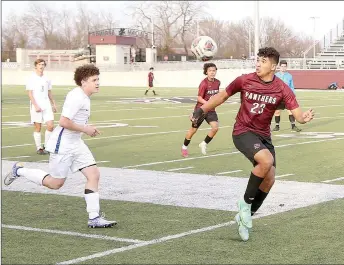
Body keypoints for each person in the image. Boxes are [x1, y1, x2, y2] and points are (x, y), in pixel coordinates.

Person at [191, 47, 314, 241]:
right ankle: (245, 205)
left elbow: (297, 114)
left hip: (263, 135)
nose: (258, 64)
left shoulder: (282, 88)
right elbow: (221, 96)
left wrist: (303, 118)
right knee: (265, 160)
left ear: (273, 66)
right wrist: (202, 110)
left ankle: (245, 216)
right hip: (243, 131)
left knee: (270, 177)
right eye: (257, 60)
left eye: (263, 61)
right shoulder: (244, 80)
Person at [4, 64, 117, 228]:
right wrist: (86, 129)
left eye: (98, 79)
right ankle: (19, 171)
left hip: (76, 143)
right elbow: (64, 122)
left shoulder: (84, 97)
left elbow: (74, 122)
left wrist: (85, 128)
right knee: (55, 183)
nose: (98, 83)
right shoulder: (77, 97)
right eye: (94, 80)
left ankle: (94, 218)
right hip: (63, 145)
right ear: (84, 82)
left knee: (93, 174)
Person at [181, 63, 220, 157]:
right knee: (193, 130)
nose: (212, 72)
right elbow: (199, 98)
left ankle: (204, 143)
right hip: (201, 110)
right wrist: (207, 104)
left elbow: (215, 96)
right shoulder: (204, 83)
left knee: (215, 128)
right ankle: (184, 147)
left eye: (214, 70)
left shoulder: (218, 82)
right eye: (210, 71)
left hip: (210, 110)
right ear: (206, 72)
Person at [26, 59, 57, 154]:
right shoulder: (31, 78)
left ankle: (47, 147)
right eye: (39, 64)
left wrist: (53, 104)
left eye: (43, 64)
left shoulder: (47, 78)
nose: (41, 66)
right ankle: (39, 148)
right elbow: (30, 93)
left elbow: (49, 92)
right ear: (36, 66)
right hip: (36, 105)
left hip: (46, 104)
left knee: (51, 126)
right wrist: (36, 106)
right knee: (38, 128)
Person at [272, 60, 301, 132]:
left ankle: (293, 126)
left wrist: (293, 96)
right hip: (279, 97)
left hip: (287, 97)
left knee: (290, 111)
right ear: (279, 67)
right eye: (282, 66)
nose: (283, 68)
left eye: (285, 66)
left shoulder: (289, 76)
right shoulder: (275, 76)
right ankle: (277, 126)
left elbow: (291, 87)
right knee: (277, 112)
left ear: (286, 67)